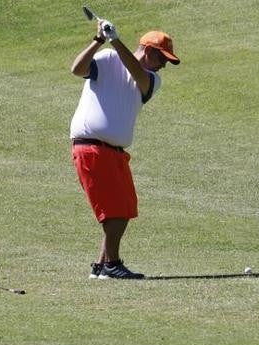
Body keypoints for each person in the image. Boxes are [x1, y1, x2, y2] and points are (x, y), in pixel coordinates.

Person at [69, 17, 180, 280]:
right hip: (92, 148)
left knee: (124, 208)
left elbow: (137, 74)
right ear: (148, 50)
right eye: (162, 59)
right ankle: (112, 264)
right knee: (115, 211)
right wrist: (99, 40)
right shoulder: (107, 58)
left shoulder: (151, 80)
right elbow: (77, 69)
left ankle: (102, 265)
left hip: (114, 152)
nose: (164, 66)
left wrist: (116, 41)